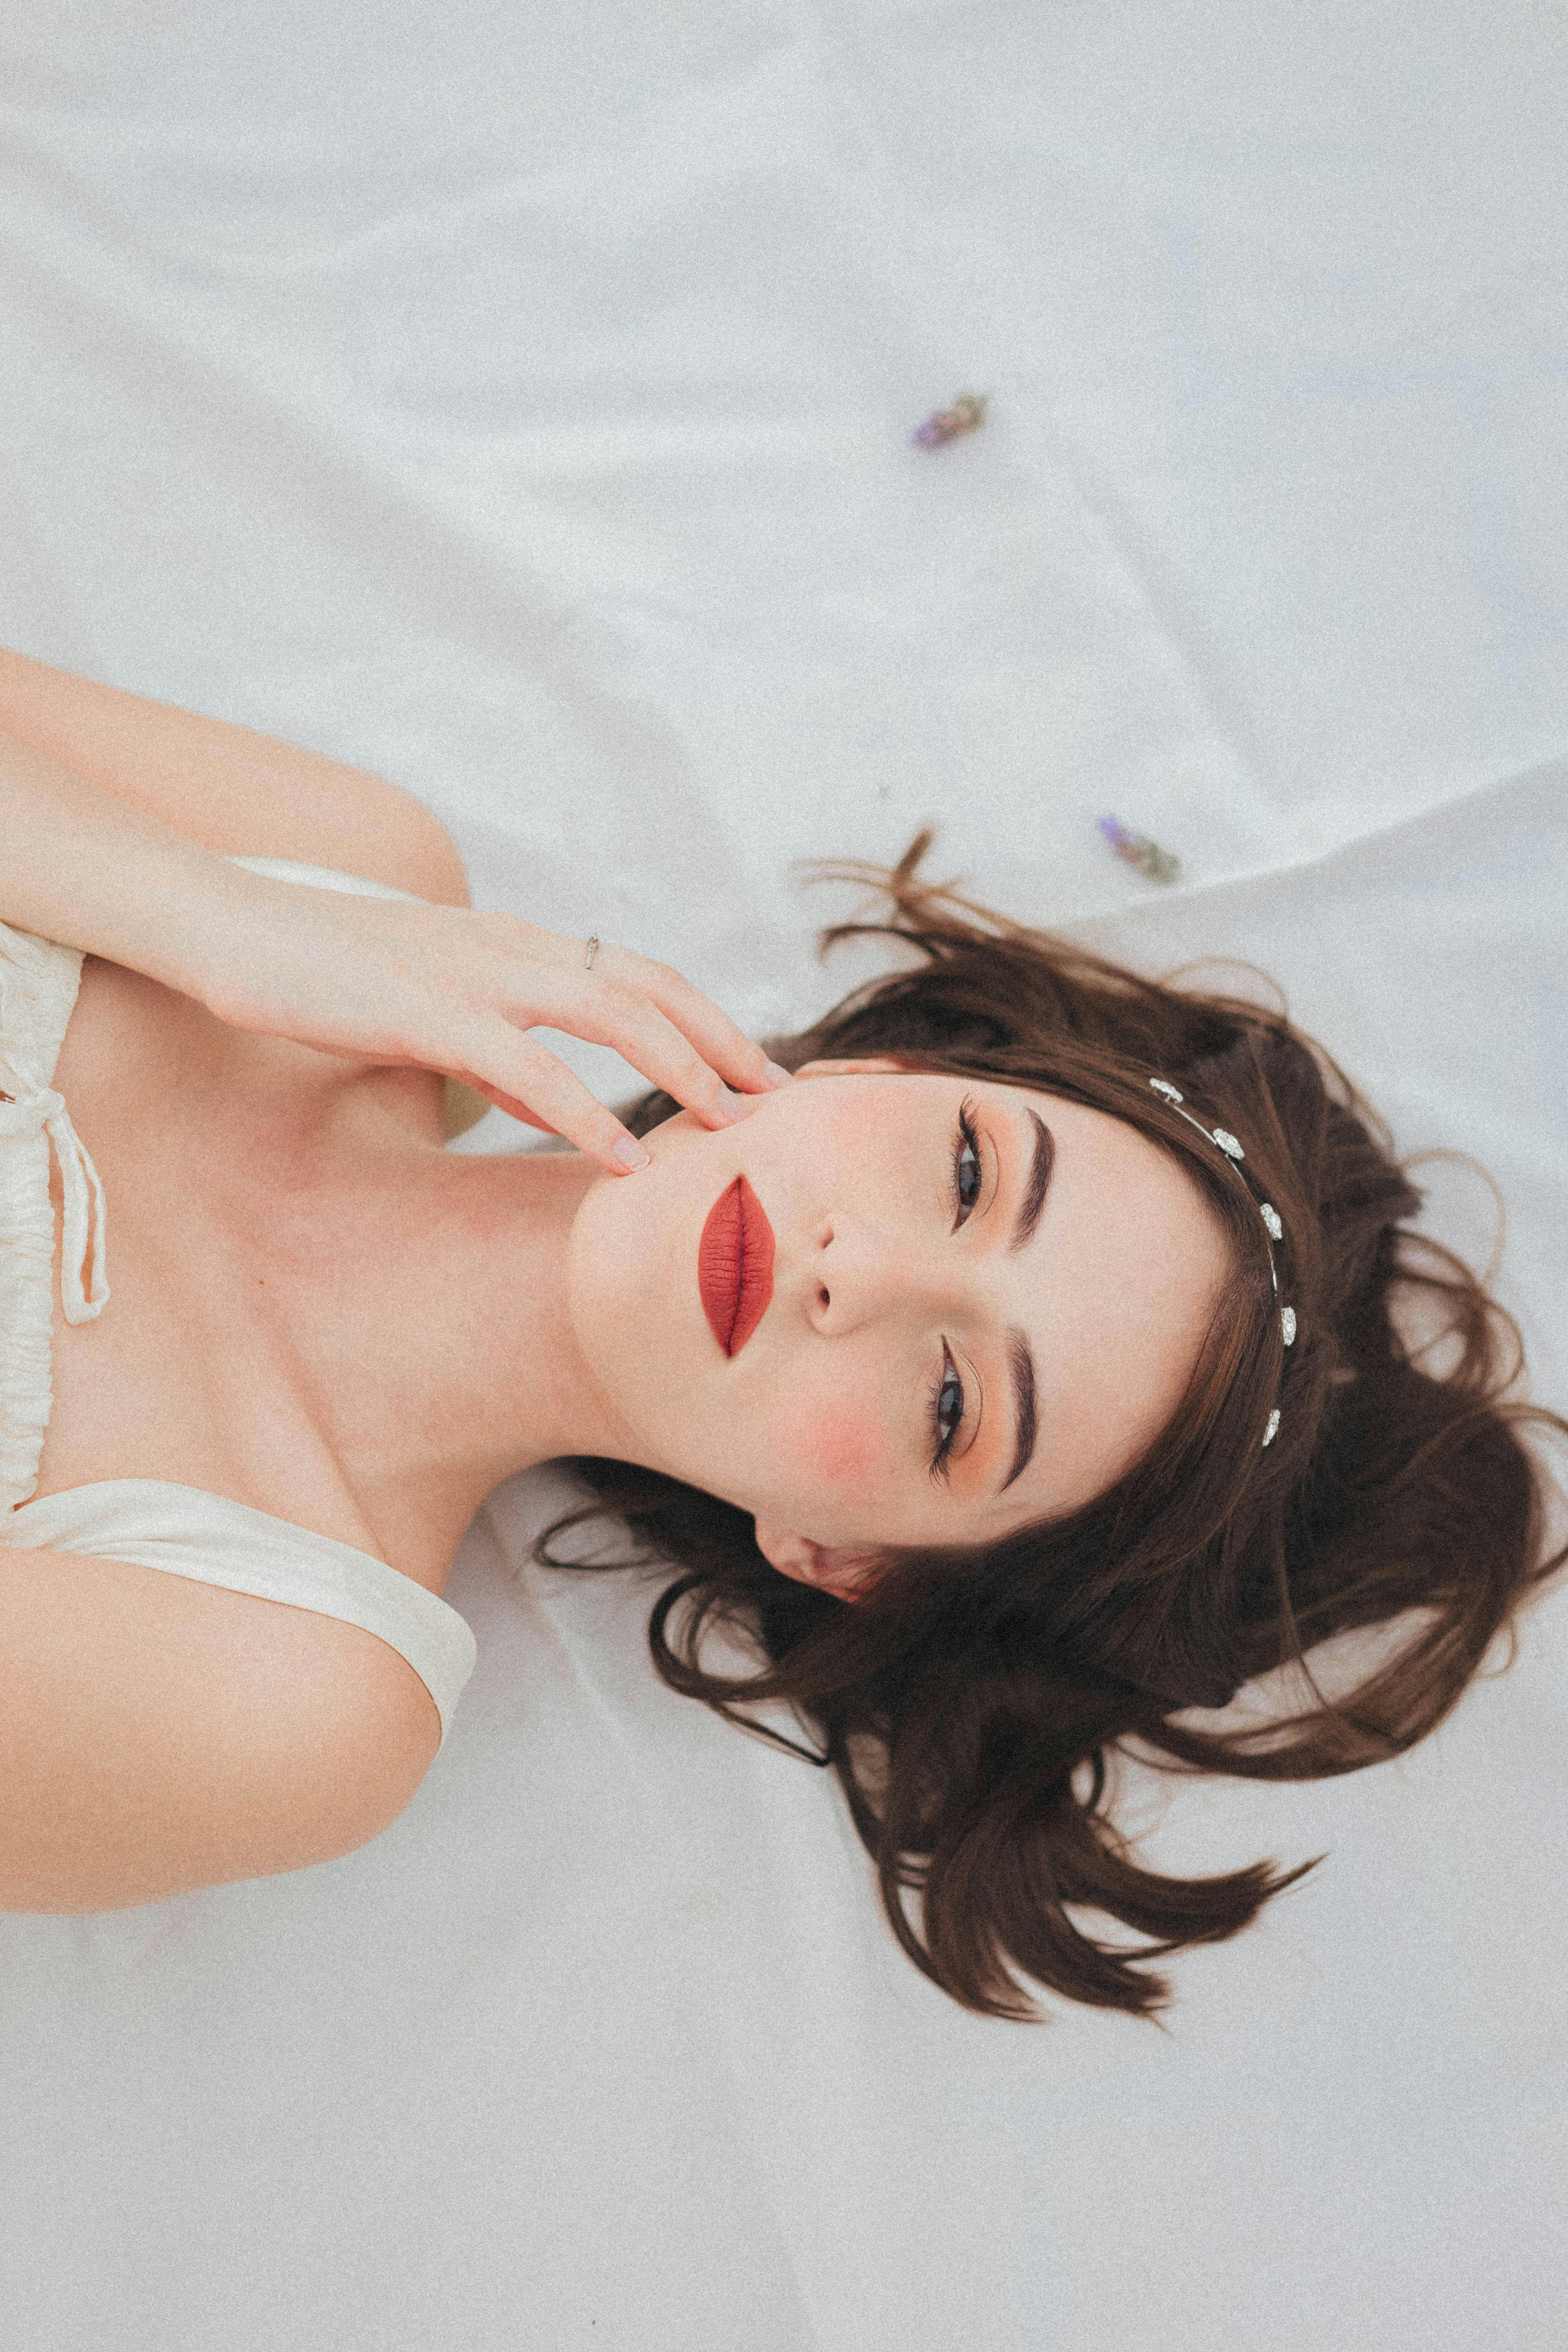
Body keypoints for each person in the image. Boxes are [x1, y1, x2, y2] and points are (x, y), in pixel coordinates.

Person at [1, 650, 1561, 2019]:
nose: (857, 1275)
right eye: (964, 1173)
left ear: (843, 1552)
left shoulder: (298, 1687)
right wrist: (209, 919)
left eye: (952, 1407)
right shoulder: (350, 865)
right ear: (876, 1073)